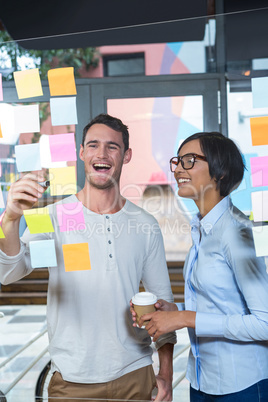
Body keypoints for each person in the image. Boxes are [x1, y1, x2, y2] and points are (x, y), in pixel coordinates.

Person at [0, 113, 176, 402]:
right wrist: (10, 219)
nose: (102, 153)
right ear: (82, 153)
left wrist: (166, 374)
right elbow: (9, 272)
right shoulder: (54, 216)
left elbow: (164, 304)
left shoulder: (144, 223)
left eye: (112, 146)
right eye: (93, 145)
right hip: (72, 382)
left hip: (136, 375)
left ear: (126, 155)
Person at [132, 132, 268, 401]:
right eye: (178, 161)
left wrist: (184, 318)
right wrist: (174, 311)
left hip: (242, 386)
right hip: (202, 380)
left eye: (190, 160)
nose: (179, 169)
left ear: (220, 171)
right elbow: (221, 304)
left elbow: (264, 323)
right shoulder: (202, 229)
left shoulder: (239, 234)